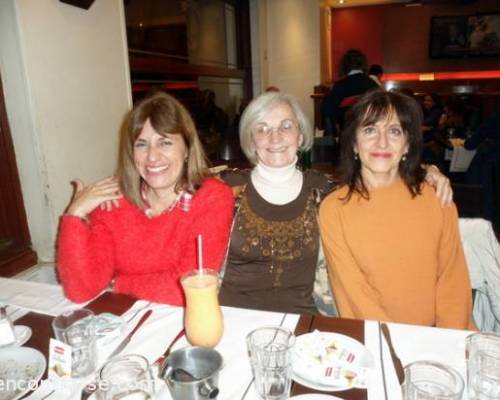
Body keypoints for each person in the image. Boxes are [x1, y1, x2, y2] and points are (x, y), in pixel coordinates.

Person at [217, 91, 454, 316]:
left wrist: (424, 172)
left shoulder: (326, 190)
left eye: (286, 126)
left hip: (306, 324)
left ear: (300, 136)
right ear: (250, 139)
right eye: (262, 128)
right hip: (233, 320)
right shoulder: (225, 189)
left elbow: (380, 178)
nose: (275, 137)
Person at [57, 92, 235, 305]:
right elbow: (80, 291)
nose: (152, 156)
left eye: (165, 142)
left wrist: (118, 283)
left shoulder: (212, 197)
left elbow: (190, 290)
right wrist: (74, 214)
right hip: (128, 321)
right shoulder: (113, 201)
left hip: (189, 322)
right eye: (141, 144)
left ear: (187, 149)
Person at [319, 90, 475, 329]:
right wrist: (395, 345)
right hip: (378, 340)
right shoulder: (334, 209)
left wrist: (447, 342)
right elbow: (354, 296)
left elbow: (452, 283)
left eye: (394, 131)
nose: (382, 142)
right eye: (370, 130)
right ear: (353, 143)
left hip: (439, 338)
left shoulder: (436, 198)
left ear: (406, 146)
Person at [321, 49, 378, 137]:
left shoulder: (340, 86)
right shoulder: (372, 85)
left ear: (344, 66)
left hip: (346, 135)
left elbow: (328, 111)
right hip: (369, 133)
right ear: (363, 64)